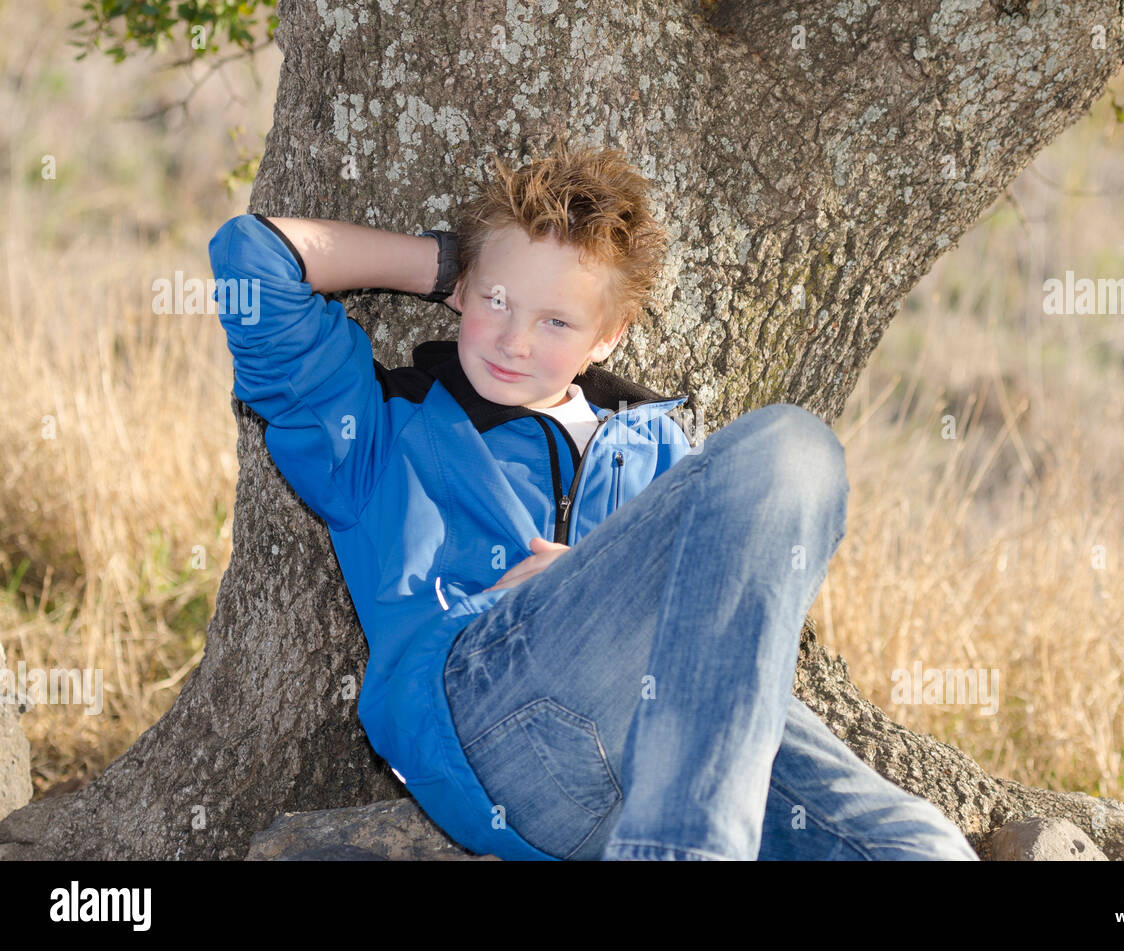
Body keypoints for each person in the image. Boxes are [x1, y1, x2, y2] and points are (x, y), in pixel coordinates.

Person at [210, 138, 978, 861]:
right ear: (463, 293)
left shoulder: (665, 454)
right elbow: (255, 260)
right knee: (780, 446)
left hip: (672, 753)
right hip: (495, 717)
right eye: (498, 301)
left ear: (607, 336)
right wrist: (448, 263)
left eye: (556, 321)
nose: (514, 341)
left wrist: (587, 571)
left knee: (922, 846)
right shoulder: (382, 432)